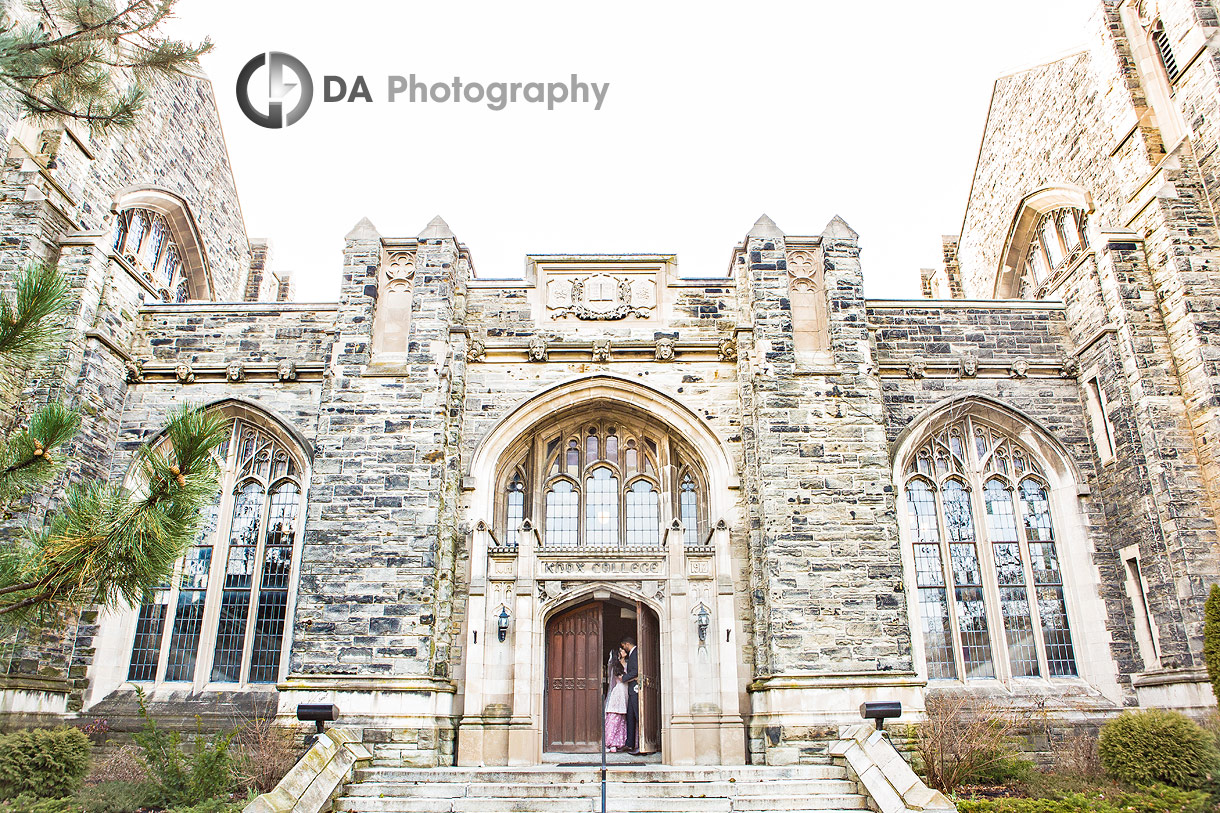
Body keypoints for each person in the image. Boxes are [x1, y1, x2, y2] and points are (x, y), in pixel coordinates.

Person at [604, 652, 628, 751]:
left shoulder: (628, 663)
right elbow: (621, 678)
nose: (622, 651)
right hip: (619, 691)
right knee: (615, 715)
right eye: (620, 650)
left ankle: (620, 742)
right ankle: (610, 741)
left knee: (623, 718)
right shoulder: (616, 666)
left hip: (627, 691)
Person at [620, 636, 639, 754]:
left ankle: (643, 746)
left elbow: (635, 671)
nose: (623, 648)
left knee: (638, 716)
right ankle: (630, 744)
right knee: (630, 717)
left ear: (627, 644)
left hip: (636, 689)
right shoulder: (632, 653)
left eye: (623, 646)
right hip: (631, 690)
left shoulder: (635, 653)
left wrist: (624, 678)